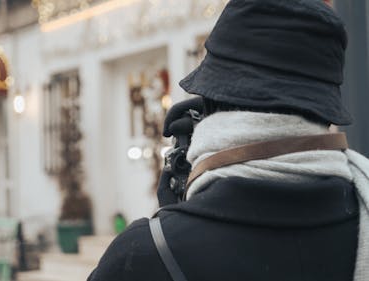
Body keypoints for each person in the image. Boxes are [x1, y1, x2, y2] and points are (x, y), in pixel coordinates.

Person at [87, 0, 369, 280]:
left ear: (210, 104)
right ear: (324, 113)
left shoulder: (143, 256)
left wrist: (174, 217)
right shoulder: (361, 217)